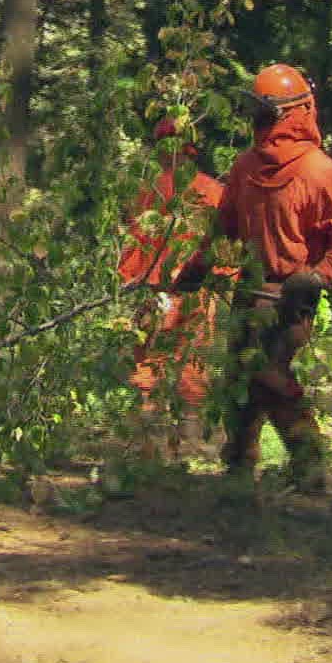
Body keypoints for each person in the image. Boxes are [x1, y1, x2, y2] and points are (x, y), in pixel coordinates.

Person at [180, 63, 332, 492]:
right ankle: (238, 472)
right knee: (239, 379)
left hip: (290, 295)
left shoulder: (321, 172)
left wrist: (319, 277)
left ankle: (310, 468)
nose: (258, 122)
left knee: (269, 375)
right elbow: (225, 228)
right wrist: (198, 267)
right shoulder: (246, 167)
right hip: (248, 291)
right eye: (255, 112)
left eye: (265, 113)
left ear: (292, 113)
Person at [118, 117, 223, 451]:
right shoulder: (213, 190)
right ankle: (190, 440)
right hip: (198, 290)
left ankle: (148, 444)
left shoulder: (144, 191)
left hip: (152, 289)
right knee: (191, 359)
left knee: (149, 360)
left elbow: (131, 237)